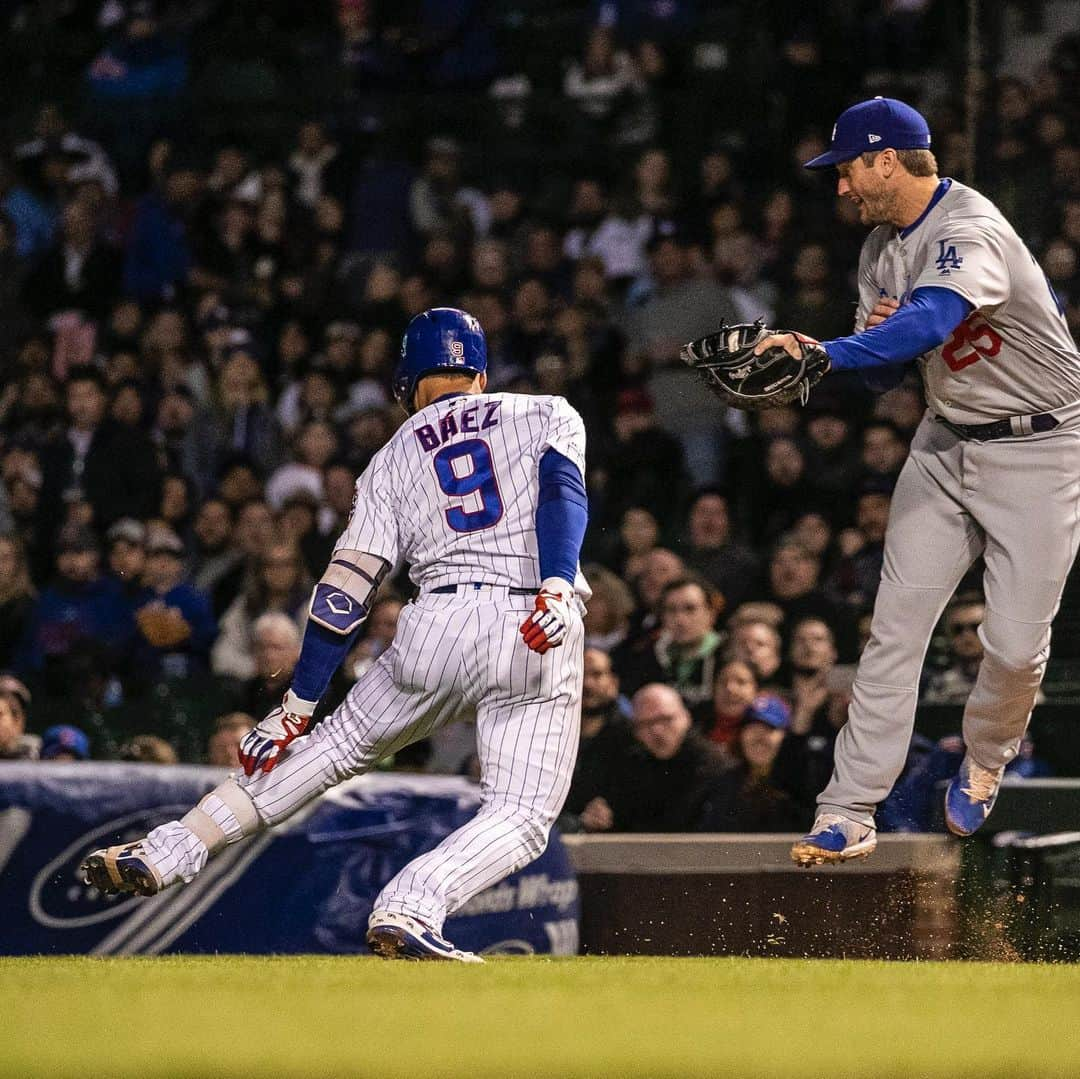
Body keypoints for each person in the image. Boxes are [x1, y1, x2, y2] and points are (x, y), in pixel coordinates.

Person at [82, 307, 590, 964]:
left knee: (330, 747)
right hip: (532, 621)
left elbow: (345, 590)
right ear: (481, 373)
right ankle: (413, 902)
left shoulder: (392, 456)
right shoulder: (546, 409)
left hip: (433, 621)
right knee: (521, 814)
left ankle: (172, 847)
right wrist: (554, 582)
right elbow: (561, 492)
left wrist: (296, 704)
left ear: (406, 385)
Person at [752, 98, 1080, 863]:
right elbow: (887, 376)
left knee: (1015, 648)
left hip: (1043, 447)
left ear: (885, 160)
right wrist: (864, 346)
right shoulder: (879, 249)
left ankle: (988, 757)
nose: (840, 188)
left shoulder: (969, 227)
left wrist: (826, 352)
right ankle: (848, 807)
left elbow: (932, 322)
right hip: (944, 441)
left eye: (846, 170)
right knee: (893, 630)